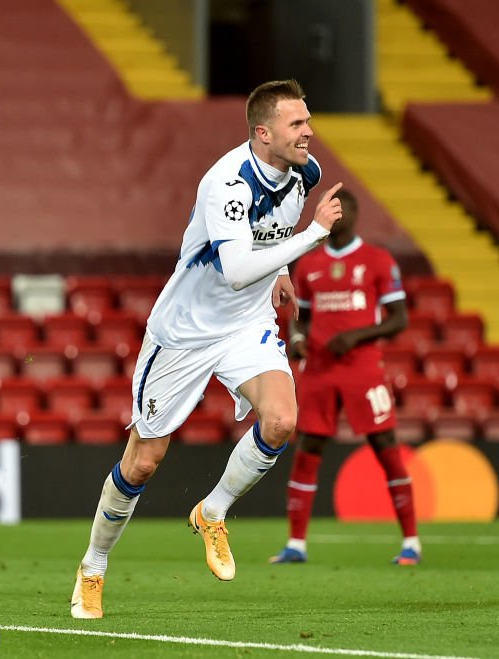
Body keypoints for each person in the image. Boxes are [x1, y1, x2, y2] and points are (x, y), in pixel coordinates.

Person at [71, 79, 344, 619]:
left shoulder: (303, 173)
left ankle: (212, 511)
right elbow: (239, 269)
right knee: (145, 461)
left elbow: (273, 233)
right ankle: (93, 566)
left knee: (282, 421)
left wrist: (284, 267)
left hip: (246, 324)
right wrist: (313, 237)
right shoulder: (226, 184)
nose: (309, 132)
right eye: (297, 124)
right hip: (186, 333)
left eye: (308, 121)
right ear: (263, 133)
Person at [269, 188, 421, 566]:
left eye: (344, 209)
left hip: (363, 368)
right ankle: (296, 545)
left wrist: (356, 335)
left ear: (355, 215)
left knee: (386, 445)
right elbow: (299, 320)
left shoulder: (377, 260)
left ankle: (411, 542)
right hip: (319, 370)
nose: (339, 216)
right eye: (333, 209)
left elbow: (399, 319)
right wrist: (299, 341)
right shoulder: (309, 265)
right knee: (308, 449)